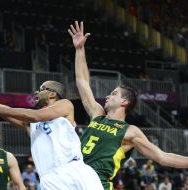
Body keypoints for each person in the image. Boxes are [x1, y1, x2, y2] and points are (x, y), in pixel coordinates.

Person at [68, 21, 188, 190]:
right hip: (73, 177)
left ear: (124, 102)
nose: (108, 95)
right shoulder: (97, 114)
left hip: (97, 183)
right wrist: (79, 50)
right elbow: (82, 82)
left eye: (114, 93)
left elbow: (162, 157)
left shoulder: (130, 131)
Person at [0, 76, 104, 190]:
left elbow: (35, 115)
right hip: (49, 179)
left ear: (52, 93)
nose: (36, 92)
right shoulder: (30, 124)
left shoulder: (65, 105)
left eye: (41, 89)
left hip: (74, 169)